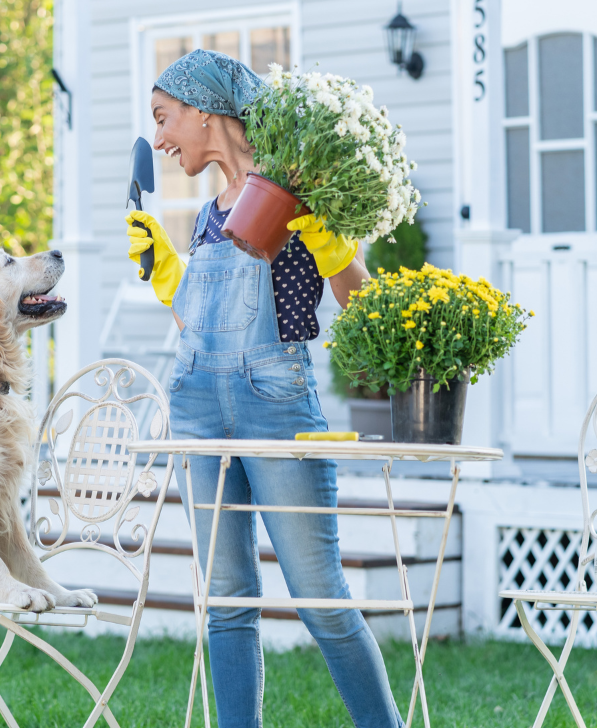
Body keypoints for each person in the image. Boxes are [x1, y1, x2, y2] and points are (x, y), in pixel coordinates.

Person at [126, 49, 404, 728]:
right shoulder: (207, 214)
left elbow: (360, 300)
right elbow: (199, 322)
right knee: (225, 599)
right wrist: (164, 270)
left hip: (274, 402)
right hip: (195, 407)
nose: (159, 139)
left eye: (165, 120)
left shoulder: (295, 185)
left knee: (319, 597)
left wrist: (328, 241)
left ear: (202, 111)